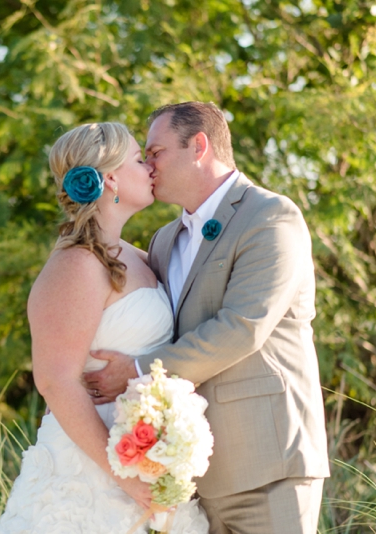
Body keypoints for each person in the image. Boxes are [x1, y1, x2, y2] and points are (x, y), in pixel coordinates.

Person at [84, 102, 330, 534]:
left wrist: (138, 371)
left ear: (198, 146)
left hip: (267, 462)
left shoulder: (270, 217)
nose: (149, 165)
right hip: (190, 476)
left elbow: (244, 326)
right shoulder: (163, 241)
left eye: (155, 152)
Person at [0, 122, 198, 533]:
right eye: (141, 160)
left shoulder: (141, 256)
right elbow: (56, 381)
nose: (151, 169)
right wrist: (121, 474)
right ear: (111, 179)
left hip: (147, 457)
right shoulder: (76, 265)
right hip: (92, 471)